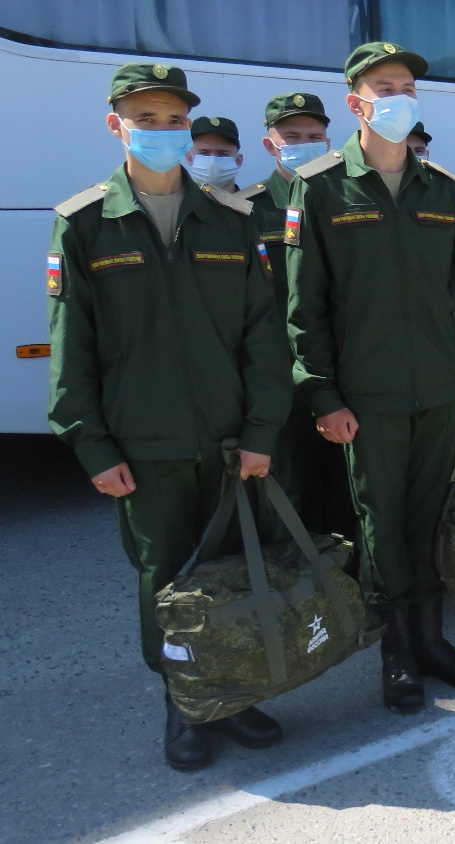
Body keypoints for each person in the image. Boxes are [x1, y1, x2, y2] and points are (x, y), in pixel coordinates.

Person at [48, 63, 293, 770]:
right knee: (167, 581)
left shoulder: (232, 219)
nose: (163, 131)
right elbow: (71, 347)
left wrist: (261, 432)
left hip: (229, 442)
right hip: (144, 444)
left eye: (174, 119)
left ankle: (235, 695)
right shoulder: (84, 223)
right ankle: (184, 705)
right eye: (145, 119)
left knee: (232, 570)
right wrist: (93, 447)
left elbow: (263, 338)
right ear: (116, 125)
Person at [286, 42, 455, 714]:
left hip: (438, 387)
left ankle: (432, 640)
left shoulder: (442, 188)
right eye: (385, 87)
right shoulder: (320, 187)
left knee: (429, 519)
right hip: (368, 395)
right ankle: (397, 651)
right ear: (356, 102)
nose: (399, 98)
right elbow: (305, 305)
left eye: (407, 87)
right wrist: (322, 393)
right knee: (381, 523)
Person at [239, 93, 356, 540]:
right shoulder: (247, 211)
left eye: (314, 136)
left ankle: (348, 573)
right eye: (292, 137)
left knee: (346, 489)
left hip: (341, 372)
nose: (304, 145)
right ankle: (297, 577)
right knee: (289, 493)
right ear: (270, 145)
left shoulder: (345, 200)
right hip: (279, 378)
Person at [186, 116, 244, 192]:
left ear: (238, 160)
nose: (213, 162)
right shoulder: (174, 199)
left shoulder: (255, 199)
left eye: (222, 154)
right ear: (190, 158)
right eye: (204, 154)